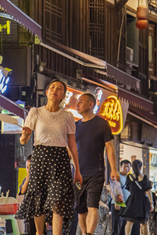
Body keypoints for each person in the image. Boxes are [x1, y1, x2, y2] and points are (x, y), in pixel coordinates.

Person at [17, 79, 83, 235]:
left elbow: (72, 145)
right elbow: (23, 141)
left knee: (58, 199)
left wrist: (78, 170)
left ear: (63, 96)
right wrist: (25, 135)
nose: (55, 90)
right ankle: (40, 233)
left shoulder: (67, 116)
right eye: (52, 87)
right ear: (46, 92)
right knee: (37, 198)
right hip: (39, 157)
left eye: (59, 89)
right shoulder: (36, 112)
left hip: (60, 159)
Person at [75, 92, 120, 235]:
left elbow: (109, 148)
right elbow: (71, 150)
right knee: (80, 209)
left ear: (90, 104)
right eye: (77, 102)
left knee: (92, 206)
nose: (77, 104)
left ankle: (89, 233)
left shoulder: (102, 124)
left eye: (80, 102)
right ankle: (84, 232)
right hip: (78, 174)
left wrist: (114, 169)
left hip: (96, 172)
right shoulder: (76, 126)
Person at [121, 159, 153, 235]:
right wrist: (151, 203)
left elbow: (129, 189)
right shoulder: (144, 177)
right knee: (144, 223)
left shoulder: (129, 177)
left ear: (132, 167)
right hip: (142, 201)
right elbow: (148, 191)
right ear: (141, 167)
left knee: (129, 222)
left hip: (132, 200)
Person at [114, 160, 135, 235]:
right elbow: (116, 189)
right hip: (120, 205)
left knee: (125, 227)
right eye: (125, 166)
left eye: (128, 167)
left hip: (128, 205)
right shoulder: (118, 176)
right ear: (121, 167)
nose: (127, 168)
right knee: (117, 226)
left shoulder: (130, 177)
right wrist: (118, 203)